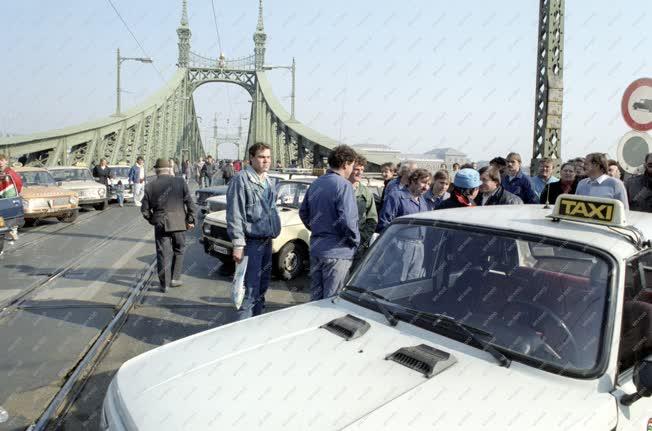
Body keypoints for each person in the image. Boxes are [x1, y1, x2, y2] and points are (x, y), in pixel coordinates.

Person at [227, 143, 281, 319]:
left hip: (266, 242)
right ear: (251, 158)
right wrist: (238, 244)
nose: (266, 160)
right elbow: (235, 214)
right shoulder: (241, 180)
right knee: (250, 290)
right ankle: (242, 330)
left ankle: (256, 323)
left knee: (262, 287)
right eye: (261, 156)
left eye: (268, 157)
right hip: (251, 243)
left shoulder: (268, 181)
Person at [299, 145, 360, 300]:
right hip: (338, 251)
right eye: (352, 165)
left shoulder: (317, 183)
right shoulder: (344, 185)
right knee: (332, 300)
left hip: (317, 248)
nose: (352, 170)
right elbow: (347, 220)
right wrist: (355, 240)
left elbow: (303, 212)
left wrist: (317, 228)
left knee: (315, 299)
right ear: (345, 163)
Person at [141, 158, 196, 292]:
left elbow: (144, 210)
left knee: (162, 254)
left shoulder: (150, 186)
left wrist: (153, 220)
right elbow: (190, 203)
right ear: (170, 169)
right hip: (179, 223)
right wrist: (190, 220)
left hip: (161, 224)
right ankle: (175, 279)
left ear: (156, 170)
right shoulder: (180, 182)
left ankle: (164, 284)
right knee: (179, 250)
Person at [348, 156, 378, 267]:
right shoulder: (339, 188)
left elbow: (372, 219)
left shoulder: (366, 192)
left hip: (358, 245)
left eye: (362, 170)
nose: (360, 173)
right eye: (356, 169)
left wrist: (362, 238)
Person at [0, 154, 22, 242]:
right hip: (3, 198)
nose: (0, 162)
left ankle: (12, 231)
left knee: (8, 217)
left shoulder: (10, 173)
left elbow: (19, 185)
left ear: (6, 161)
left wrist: (14, 195)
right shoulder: (3, 173)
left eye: (1, 160)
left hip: (9, 198)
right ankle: (11, 231)